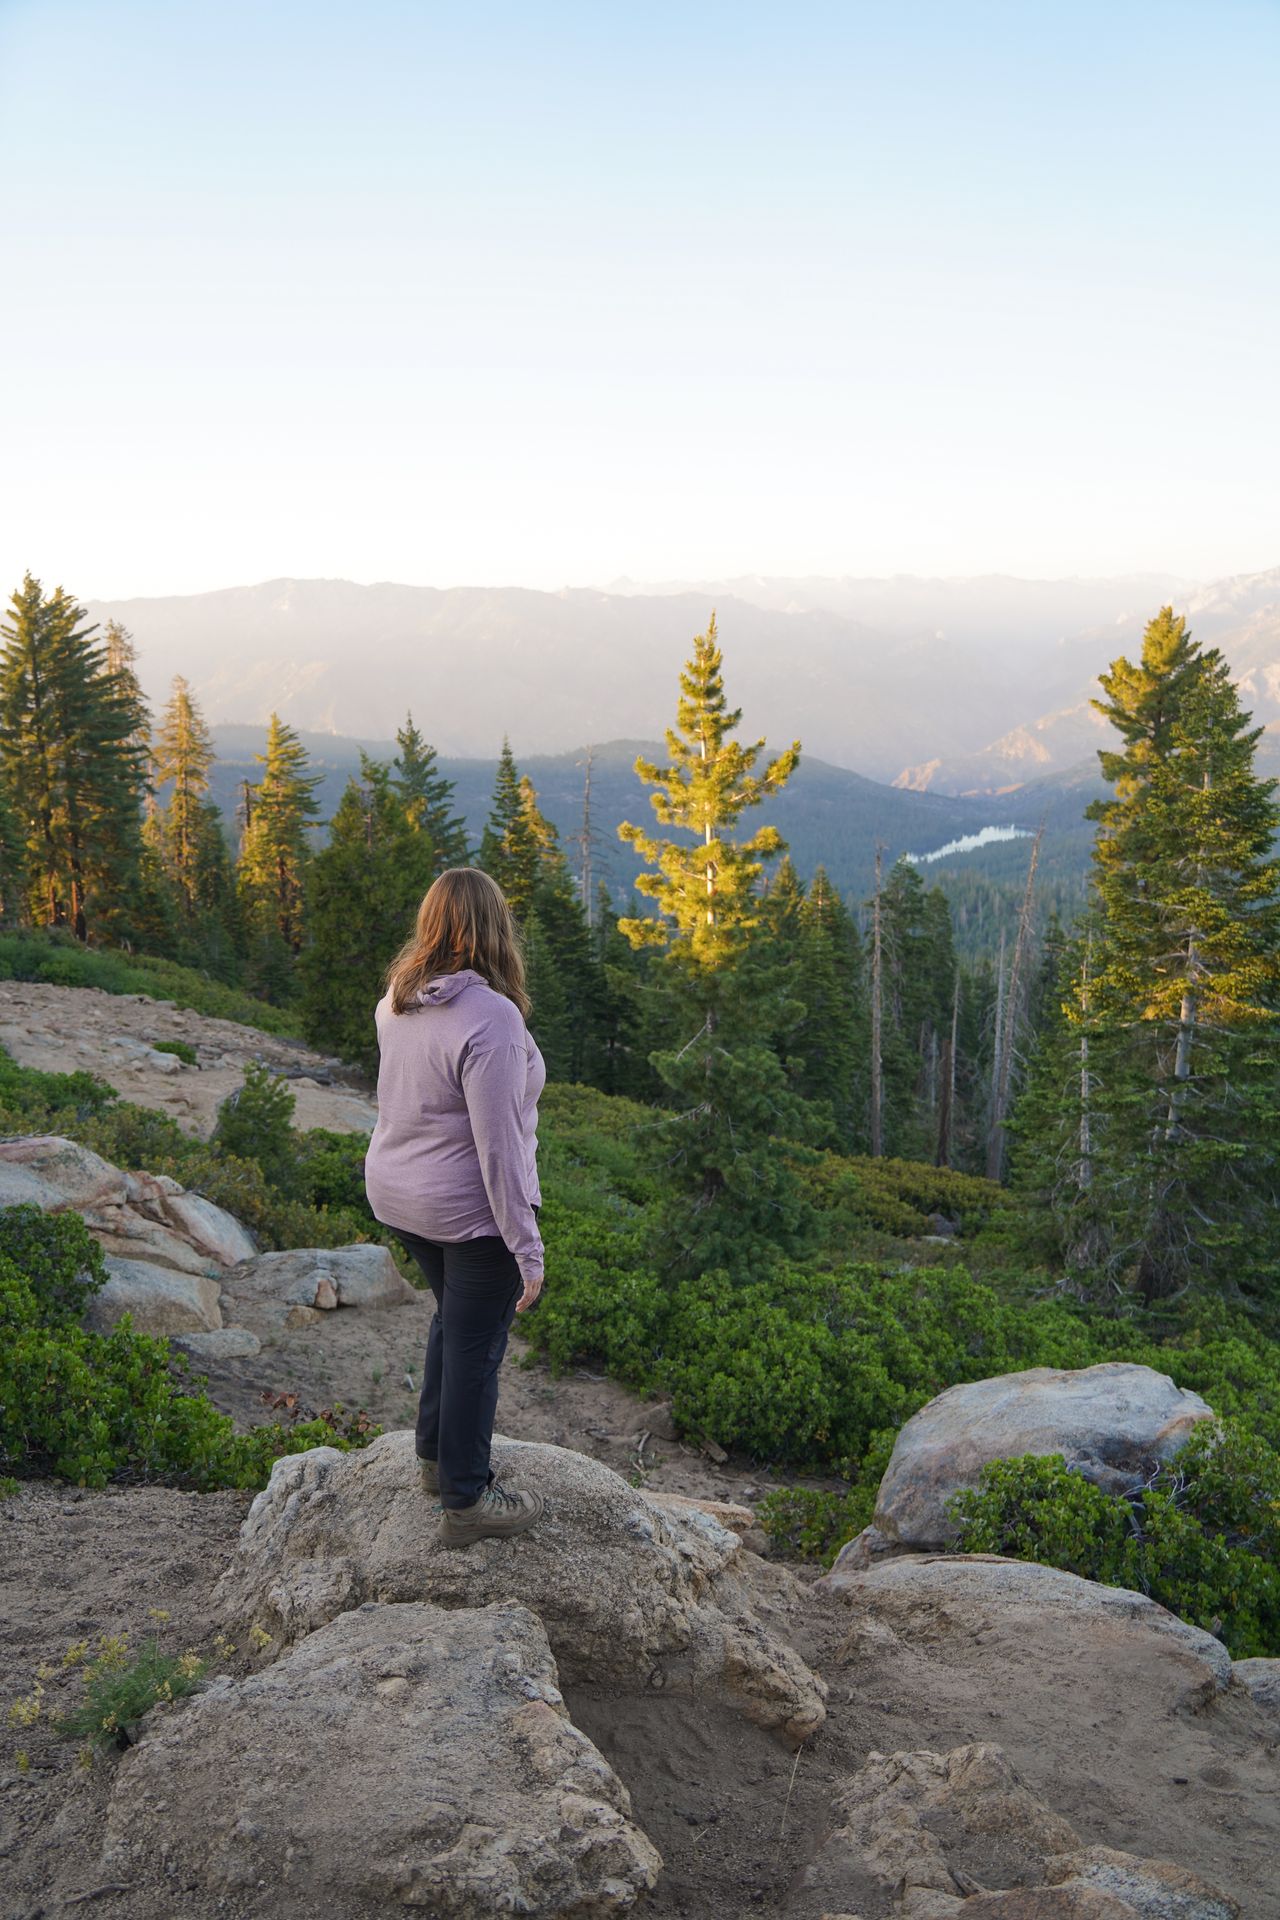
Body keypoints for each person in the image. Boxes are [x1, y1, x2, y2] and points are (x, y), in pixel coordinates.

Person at [364, 867, 547, 1547]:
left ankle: (435, 1463)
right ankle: (467, 1503)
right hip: (466, 1212)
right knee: (477, 1344)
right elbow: (497, 1149)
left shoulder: (400, 998)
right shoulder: (490, 1018)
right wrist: (525, 1249)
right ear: (497, 927)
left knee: (456, 1322)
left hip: (398, 1194)